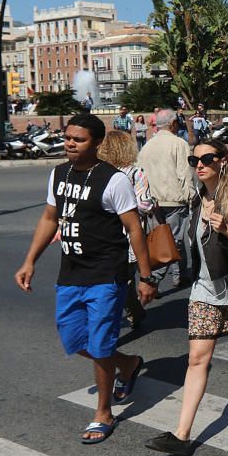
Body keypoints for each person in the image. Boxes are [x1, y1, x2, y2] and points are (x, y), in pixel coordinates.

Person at [15, 114, 156, 443]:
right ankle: (128, 363)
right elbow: (50, 217)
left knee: (100, 342)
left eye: (78, 139)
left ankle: (103, 413)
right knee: (74, 340)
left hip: (107, 273)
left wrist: (146, 277)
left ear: (95, 144)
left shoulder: (113, 180)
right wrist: (29, 261)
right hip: (71, 273)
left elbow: (135, 228)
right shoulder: (59, 174)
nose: (69, 143)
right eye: (67, 137)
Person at [144, 139, 228, 456]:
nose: (199, 165)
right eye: (194, 160)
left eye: (207, 159)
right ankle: (182, 434)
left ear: (222, 161)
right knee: (197, 358)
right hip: (204, 290)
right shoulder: (198, 198)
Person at [98, 130, 154, 330]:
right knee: (120, 281)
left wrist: (121, 207)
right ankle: (133, 311)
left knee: (123, 280)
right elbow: (146, 204)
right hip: (106, 236)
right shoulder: (100, 172)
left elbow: (145, 204)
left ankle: (129, 312)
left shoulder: (134, 173)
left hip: (127, 237)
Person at [138, 109, 193, 293]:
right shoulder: (179, 143)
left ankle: (182, 275)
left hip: (153, 202)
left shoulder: (147, 146)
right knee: (171, 243)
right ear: (173, 124)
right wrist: (190, 196)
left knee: (162, 241)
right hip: (174, 199)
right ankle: (152, 280)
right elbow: (185, 174)